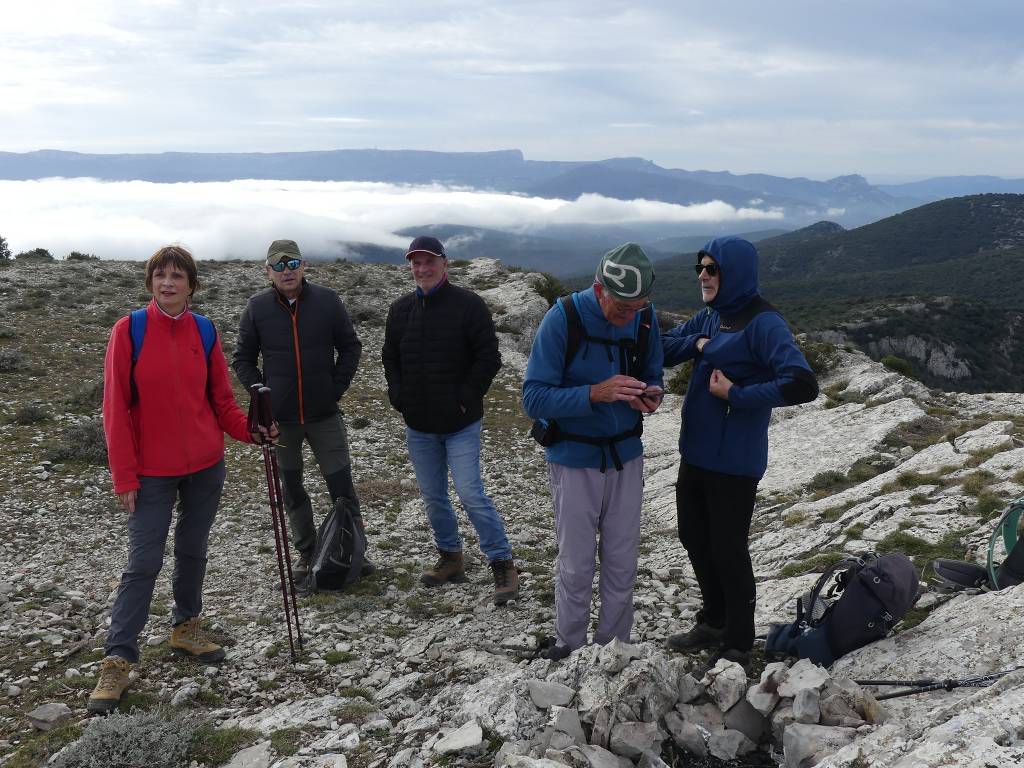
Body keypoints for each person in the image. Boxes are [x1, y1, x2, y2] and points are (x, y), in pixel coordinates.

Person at [92, 245, 273, 714]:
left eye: (176, 276)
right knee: (143, 561)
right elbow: (114, 409)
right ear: (150, 281)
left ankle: (185, 626)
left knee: (193, 548)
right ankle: (118, 658)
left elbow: (220, 400)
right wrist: (124, 476)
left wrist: (251, 432)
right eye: (159, 275)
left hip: (205, 465)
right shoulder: (128, 330)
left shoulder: (205, 330)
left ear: (191, 284)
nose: (167, 283)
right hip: (150, 471)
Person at [662, 236, 818, 667]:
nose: (703, 276)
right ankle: (712, 619)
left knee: (728, 548)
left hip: (734, 462)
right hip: (695, 453)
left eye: (712, 269)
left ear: (734, 273)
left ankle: (737, 640)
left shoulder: (764, 323)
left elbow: (802, 383)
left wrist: (739, 393)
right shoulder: (713, 316)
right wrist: (698, 344)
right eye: (700, 268)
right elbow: (664, 347)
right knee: (695, 538)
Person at [522, 243, 664, 660]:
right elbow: (533, 398)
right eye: (621, 309)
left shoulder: (643, 317)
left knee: (622, 559)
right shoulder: (563, 319)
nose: (628, 317)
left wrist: (651, 395)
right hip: (574, 459)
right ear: (599, 289)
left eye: (637, 309)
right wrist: (595, 394)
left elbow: (652, 371)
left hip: (626, 456)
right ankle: (570, 646)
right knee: (576, 561)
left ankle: (615, 647)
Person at [382, 235, 519, 606]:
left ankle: (502, 562)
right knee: (433, 496)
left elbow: (488, 357)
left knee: (471, 492)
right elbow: (390, 358)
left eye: (429, 262)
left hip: (460, 424)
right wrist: (398, 395)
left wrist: (465, 397)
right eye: (415, 263)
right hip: (419, 425)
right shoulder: (400, 310)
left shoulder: (468, 305)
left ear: (445, 264)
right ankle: (451, 558)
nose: (422, 269)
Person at [232, 239, 365, 578]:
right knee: (291, 489)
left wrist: (335, 388)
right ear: (268, 271)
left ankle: (353, 552)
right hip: (281, 420)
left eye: (292, 264)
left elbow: (350, 347)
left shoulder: (327, 301)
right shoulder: (257, 307)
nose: (286, 271)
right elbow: (243, 359)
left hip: (324, 415)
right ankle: (307, 553)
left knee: (342, 487)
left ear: (304, 266)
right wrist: (261, 395)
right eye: (278, 266)